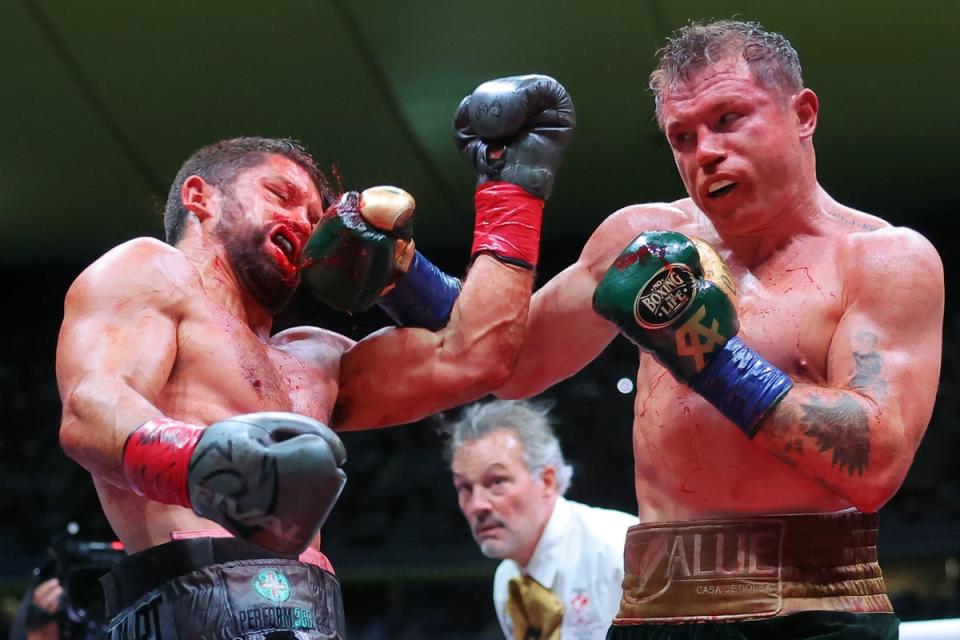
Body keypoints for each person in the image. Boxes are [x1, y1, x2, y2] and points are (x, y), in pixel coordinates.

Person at [55, 74, 575, 639]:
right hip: (186, 608)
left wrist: (510, 189)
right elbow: (90, 407)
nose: (304, 223)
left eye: (315, 215)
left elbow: (480, 357)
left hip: (311, 617)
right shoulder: (151, 270)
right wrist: (204, 462)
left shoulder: (316, 357)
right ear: (199, 197)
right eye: (281, 196)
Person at [490, 20, 944, 639]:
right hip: (655, 614)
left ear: (803, 114)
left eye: (728, 119)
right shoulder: (642, 239)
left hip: (814, 614)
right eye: (682, 136)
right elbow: (506, 366)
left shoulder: (884, 260)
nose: (704, 151)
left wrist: (707, 356)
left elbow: (874, 466)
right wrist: (423, 260)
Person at [446, 399, 636, 639]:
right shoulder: (507, 581)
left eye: (497, 482)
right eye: (464, 488)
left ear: (547, 481)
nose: (476, 505)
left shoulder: (620, 549)